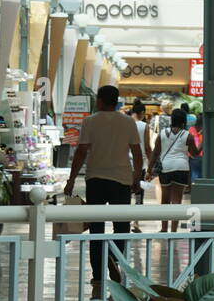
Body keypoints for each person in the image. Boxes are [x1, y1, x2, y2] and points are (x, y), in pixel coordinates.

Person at [63, 86, 143, 286]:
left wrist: (71, 179)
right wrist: (136, 178)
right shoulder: (128, 122)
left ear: (99, 100)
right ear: (116, 101)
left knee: (96, 228)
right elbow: (138, 153)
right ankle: (115, 260)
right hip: (121, 180)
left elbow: (81, 152)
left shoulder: (90, 121)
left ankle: (98, 274)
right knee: (121, 226)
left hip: (95, 179)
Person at [150, 109, 200, 232]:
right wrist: (202, 145)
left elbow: (155, 153)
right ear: (183, 122)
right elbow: (194, 154)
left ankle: (163, 228)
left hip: (165, 167)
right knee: (177, 201)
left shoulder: (162, 133)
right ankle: (173, 230)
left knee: (165, 200)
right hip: (181, 168)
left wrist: (149, 170)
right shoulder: (187, 135)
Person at [129, 101, 153, 232]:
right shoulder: (144, 126)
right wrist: (151, 165)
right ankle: (135, 222)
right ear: (142, 113)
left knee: (125, 194)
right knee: (138, 194)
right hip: (141, 164)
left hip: (126, 164)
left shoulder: (125, 123)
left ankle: (124, 221)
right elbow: (148, 147)